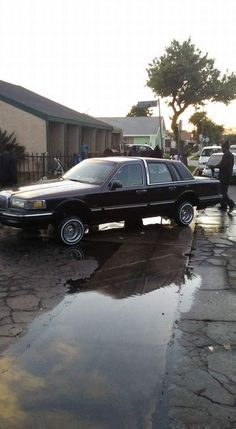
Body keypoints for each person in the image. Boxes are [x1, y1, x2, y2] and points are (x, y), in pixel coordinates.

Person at [214, 141, 234, 213]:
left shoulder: (227, 155)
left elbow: (223, 165)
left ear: (225, 148)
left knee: (223, 192)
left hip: (224, 177)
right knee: (222, 191)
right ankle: (223, 205)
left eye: (222, 148)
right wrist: (215, 166)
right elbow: (222, 163)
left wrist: (215, 166)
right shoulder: (229, 155)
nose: (221, 149)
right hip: (226, 176)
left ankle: (231, 204)